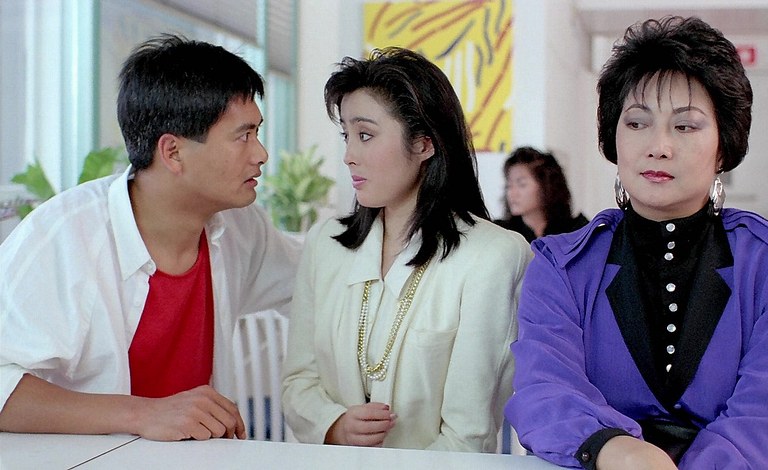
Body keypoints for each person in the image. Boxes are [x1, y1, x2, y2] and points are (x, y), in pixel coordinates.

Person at [505, 16, 768, 470]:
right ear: (613, 139)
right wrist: (612, 448)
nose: (658, 146)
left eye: (685, 126)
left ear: (724, 145)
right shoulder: (562, 267)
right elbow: (544, 388)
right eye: (637, 122)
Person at [0, 35, 300, 440]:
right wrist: (141, 414)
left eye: (257, 133)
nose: (261, 154)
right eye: (243, 136)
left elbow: (314, 282)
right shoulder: (63, 236)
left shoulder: (241, 227)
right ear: (172, 152)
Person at [281, 47, 531, 452]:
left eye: (365, 135)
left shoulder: (493, 256)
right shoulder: (325, 243)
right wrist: (334, 425)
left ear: (424, 144)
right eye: (347, 136)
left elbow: (468, 433)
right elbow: (298, 381)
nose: (349, 156)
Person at [495, 146, 589, 242]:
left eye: (522, 184)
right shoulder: (501, 233)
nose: (512, 193)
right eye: (509, 185)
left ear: (547, 186)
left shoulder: (577, 231)